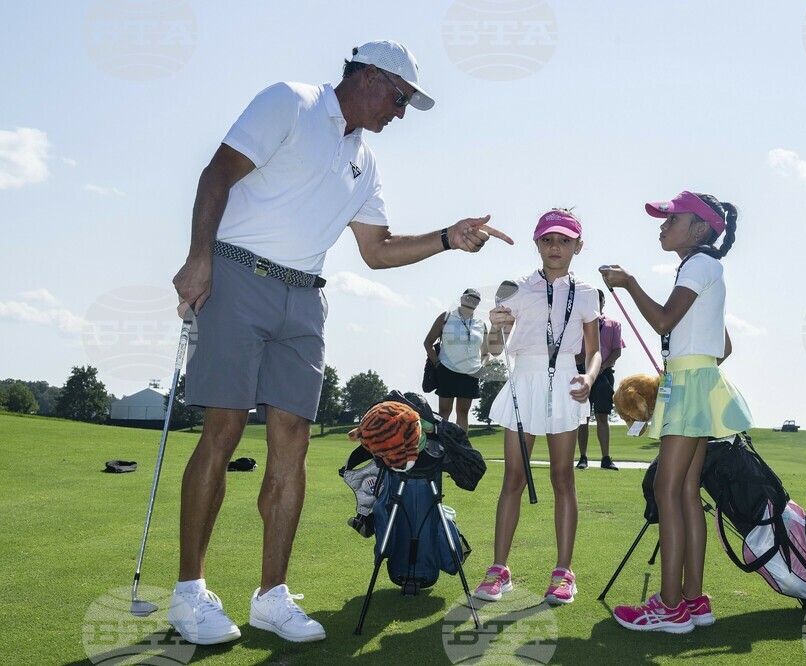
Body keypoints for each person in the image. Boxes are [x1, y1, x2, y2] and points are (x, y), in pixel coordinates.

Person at [168, 40, 512, 646]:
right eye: (401, 98)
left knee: (293, 444)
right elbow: (217, 172)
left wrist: (448, 238)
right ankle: (190, 591)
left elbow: (377, 251)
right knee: (222, 429)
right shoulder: (291, 102)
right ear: (372, 78)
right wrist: (199, 257)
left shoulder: (367, 160)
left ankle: (271, 595)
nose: (401, 113)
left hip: (305, 298)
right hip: (238, 272)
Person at [601, 191, 751, 633]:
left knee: (668, 493)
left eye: (671, 220)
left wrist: (629, 284)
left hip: (688, 386)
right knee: (685, 494)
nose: (662, 226)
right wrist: (690, 363)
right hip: (697, 383)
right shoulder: (705, 267)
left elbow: (664, 321)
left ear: (700, 228)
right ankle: (694, 601)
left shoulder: (698, 265)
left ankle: (669, 606)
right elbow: (723, 347)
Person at [474, 209, 601, 606]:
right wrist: (494, 327)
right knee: (513, 477)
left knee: (563, 478)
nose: (555, 247)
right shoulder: (515, 288)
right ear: (537, 244)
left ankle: (564, 572)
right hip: (524, 381)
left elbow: (594, 351)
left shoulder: (587, 293)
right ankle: (499, 570)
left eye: (564, 240)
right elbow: (493, 352)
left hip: (566, 382)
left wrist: (589, 378)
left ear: (578, 246)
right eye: (548, 240)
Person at [423, 287, 489, 431]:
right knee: (444, 412)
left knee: (463, 412)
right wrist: (437, 364)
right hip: (447, 369)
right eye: (468, 297)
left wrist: (482, 367)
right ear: (461, 298)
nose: (471, 301)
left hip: (471, 372)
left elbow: (485, 353)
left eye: (476, 299)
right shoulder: (446, 317)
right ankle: (442, 447)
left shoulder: (481, 324)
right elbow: (428, 342)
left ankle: (460, 448)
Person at [574, 289, 624, 470]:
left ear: (603, 302)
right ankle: (582, 457)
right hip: (582, 373)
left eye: (598, 300)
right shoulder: (578, 324)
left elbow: (617, 350)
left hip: (604, 375)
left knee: (602, 416)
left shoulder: (614, 324)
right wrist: (585, 363)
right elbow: (574, 350)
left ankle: (605, 458)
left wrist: (601, 367)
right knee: (583, 418)